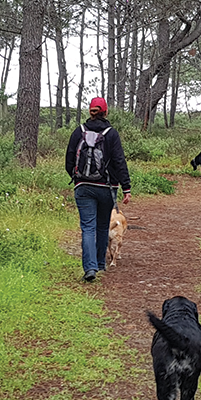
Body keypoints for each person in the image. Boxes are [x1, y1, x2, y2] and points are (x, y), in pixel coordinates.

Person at [66, 97, 130, 282]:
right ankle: (101, 264)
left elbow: (69, 159)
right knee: (103, 226)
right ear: (106, 112)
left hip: (83, 187)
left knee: (88, 228)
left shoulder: (79, 131)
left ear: (90, 111)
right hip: (107, 187)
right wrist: (126, 187)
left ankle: (90, 268)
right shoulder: (111, 134)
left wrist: (76, 177)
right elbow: (119, 161)